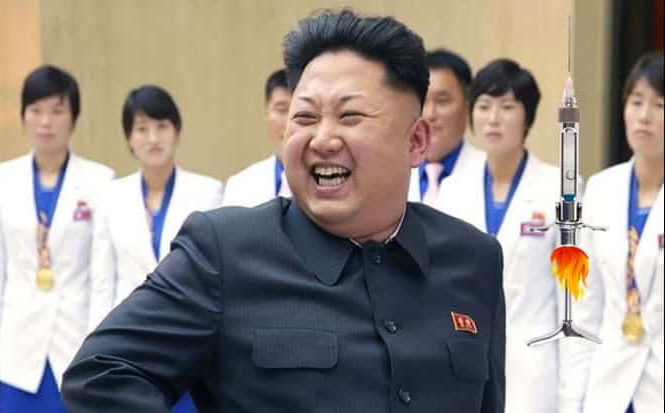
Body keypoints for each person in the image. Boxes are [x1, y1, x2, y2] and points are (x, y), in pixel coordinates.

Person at [61, 9, 506, 412]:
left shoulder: (475, 260)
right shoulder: (225, 253)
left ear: (416, 141)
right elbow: (99, 376)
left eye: (350, 116)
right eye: (305, 118)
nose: (322, 139)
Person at [88, 85, 223, 413]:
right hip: (127, 341)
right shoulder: (110, 197)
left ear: (177, 131)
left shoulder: (208, 192)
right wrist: (95, 348)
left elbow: (216, 281)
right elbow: (102, 282)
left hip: (187, 339)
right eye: (141, 129)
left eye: (162, 126)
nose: (153, 138)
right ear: (128, 138)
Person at [435, 59, 559, 413]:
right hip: (466, 359)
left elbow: (574, 300)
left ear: (527, 118)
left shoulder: (559, 189)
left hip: (534, 368)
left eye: (507, 107)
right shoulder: (453, 190)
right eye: (484, 106)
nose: (493, 119)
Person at [0, 65, 114, 412]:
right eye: (35, 110)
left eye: (57, 111)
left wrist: (98, 353)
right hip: (16, 351)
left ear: (73, 118)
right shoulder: (1, 181)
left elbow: (102, 280)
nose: (45, 122)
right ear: (23, 117)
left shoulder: (100, 181)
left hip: (74, 347)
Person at [559, 52, 664, 413]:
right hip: (608, 387)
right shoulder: (602, 189)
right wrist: (572, 402)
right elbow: (586, 305)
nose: (644, 116)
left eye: (660, 105)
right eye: (636, 102)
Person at [408, 49, 485, 205]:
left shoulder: (488, 173)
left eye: (442, 101)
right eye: (422, 102)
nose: (429, 114)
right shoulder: (394, 172)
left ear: (468, 106)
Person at [221, 69, 292, 206]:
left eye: (300, 111)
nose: (289, 123)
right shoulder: (239, 186)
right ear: (266, 112)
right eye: (281, 110)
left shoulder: (329, 180)